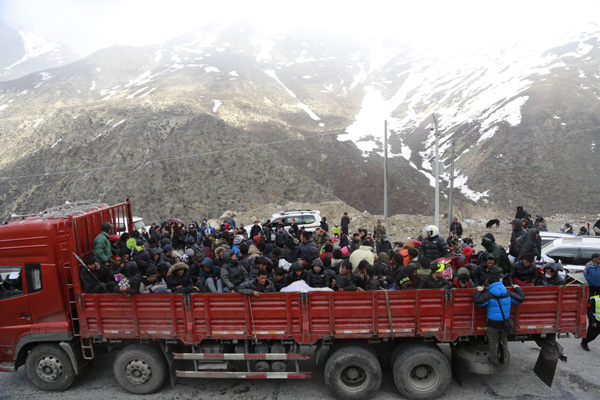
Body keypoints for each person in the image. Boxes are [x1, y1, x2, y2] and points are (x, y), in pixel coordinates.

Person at [473, 269, 525, 365]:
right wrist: (518, 288)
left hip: (493, 323)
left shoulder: (489, 295)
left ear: (490, 283)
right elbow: (520, 299)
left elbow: (478, 302)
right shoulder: (508, 293)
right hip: (505, 322)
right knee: (504, 341)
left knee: (493, 342)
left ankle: (494, 359)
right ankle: (505, 359)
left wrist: (478, 291)